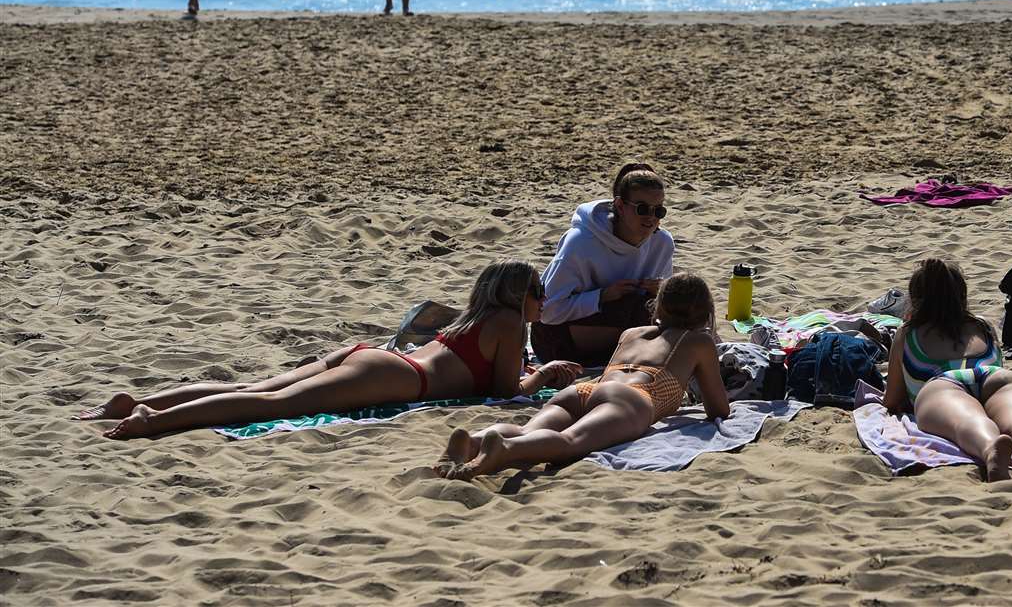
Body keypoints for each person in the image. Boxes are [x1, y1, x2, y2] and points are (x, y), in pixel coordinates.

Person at [78, 260, 583, 439]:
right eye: (539, 293)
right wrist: (543, 374)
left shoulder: (475, 316)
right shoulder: (510, 323)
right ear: (521, 296)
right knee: (273, 405)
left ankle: (143, 401)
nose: (544, 301)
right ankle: (152, 421)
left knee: (253, 387)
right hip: (400, 378)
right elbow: (504, 393)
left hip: (374, 356)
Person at [436, 272, 728, 478]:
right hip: (633, 399)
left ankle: (474, 440)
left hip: (585, 390)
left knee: (529, 430)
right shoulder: (698, 341)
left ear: (659, 305)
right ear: (705, 312)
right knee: (570, 443)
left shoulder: (631, 333)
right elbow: (717, 408)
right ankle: (506, 449)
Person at [882, 259, 1012, 481]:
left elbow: (892, 399)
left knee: (966, 422)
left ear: (916, 299)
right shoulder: (983, 325)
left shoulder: (908, 333)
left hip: (942, 384)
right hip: (996, 377)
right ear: (961, 295)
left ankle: (989, 447)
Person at [532, 163, 676, 366]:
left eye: (659, 211)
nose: (651, 217)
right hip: (558, 340)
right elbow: (547, 311)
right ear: (619, 206)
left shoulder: (662, 242)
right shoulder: (580, 242)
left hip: (623, 335)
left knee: (663, 308)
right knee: (634, 310)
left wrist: (661, 290)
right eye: (642, 209)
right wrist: (602, 296)